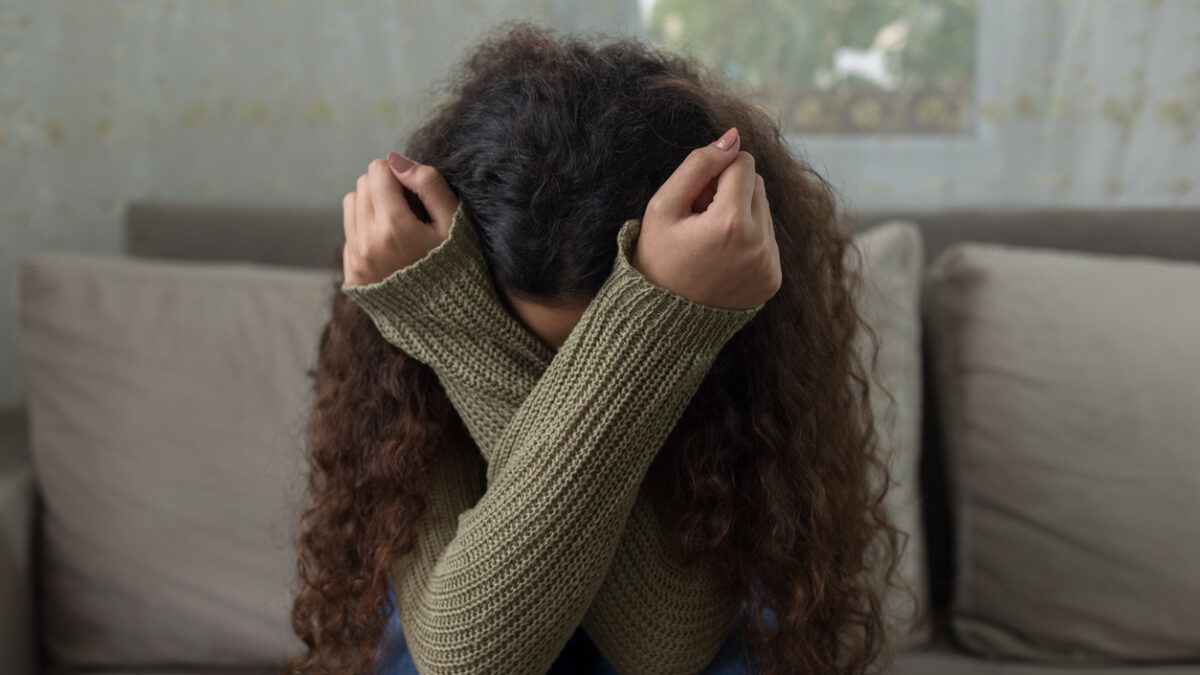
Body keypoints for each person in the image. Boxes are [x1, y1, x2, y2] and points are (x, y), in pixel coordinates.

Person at [285, 21, 910, 675]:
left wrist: (665, 324)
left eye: (596, 346)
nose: (560, 377)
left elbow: (666, 649)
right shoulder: (413, 358)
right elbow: (466, 659)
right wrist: (445, 320)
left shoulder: (743, 349)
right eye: (529, 352)